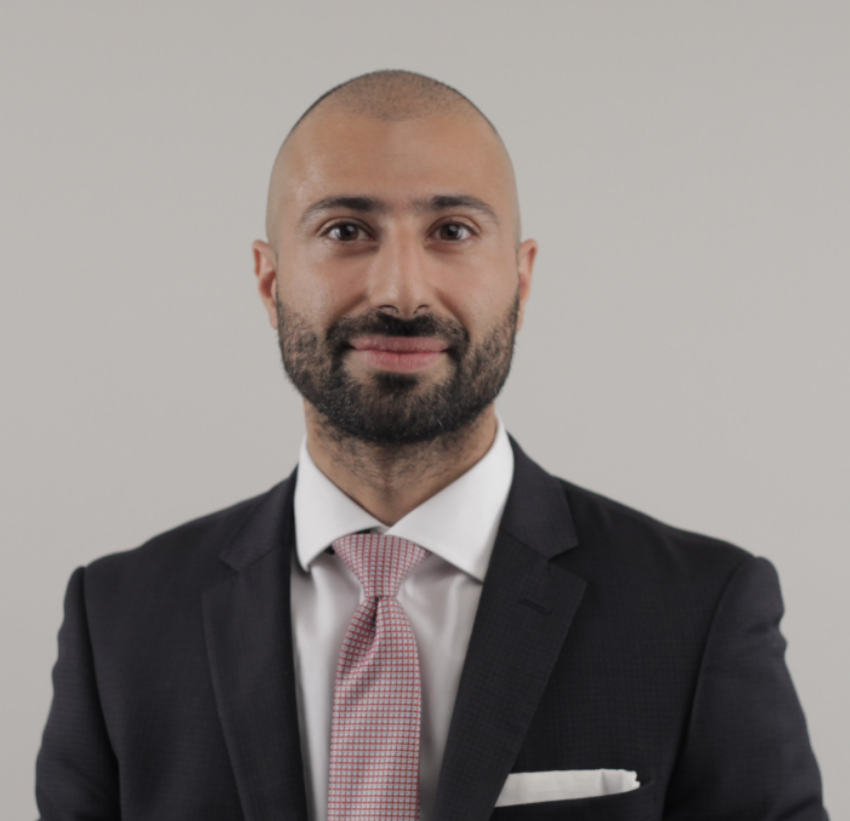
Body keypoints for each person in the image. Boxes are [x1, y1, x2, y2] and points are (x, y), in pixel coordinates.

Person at [35, 70, 828, 821]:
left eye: (452, 231)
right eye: (346, 230)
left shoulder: (701, 610)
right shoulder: (118, 622)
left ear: (521, 279)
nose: (401, 292)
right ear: (269, 282)